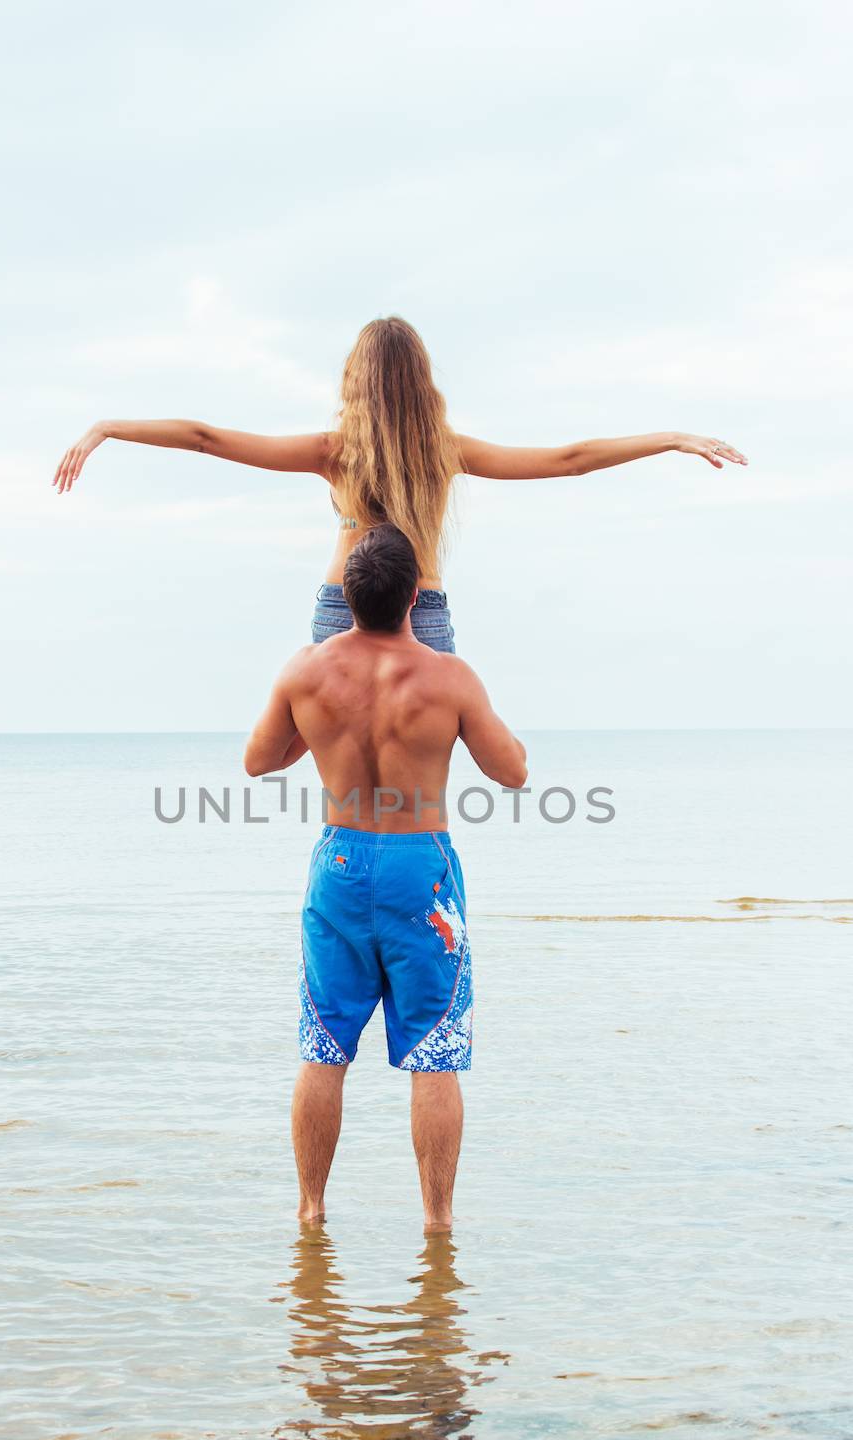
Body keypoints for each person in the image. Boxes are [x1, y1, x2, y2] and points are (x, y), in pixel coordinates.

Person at [52, 315, 747, 653]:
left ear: (354, 380)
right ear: (421, 380)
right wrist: (669, 438)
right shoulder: (444, 452)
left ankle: (349, 876)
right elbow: (569, 458)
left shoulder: (333, 451)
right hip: (425, 611)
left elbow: (206, 439)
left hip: (339, 610)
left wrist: (109, 426)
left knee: (346, 768)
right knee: (420, 771)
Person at [243, 523, 527, 1232]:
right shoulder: (448, 677)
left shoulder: (304, 669)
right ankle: (437, 1221)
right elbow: (511, 771)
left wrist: (326, 730)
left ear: (345, 594)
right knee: (434, 1054)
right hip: (418, 867)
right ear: (413, 599)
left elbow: (258, 761)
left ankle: (310, 1211)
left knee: (323, 1045)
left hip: (339, 863)